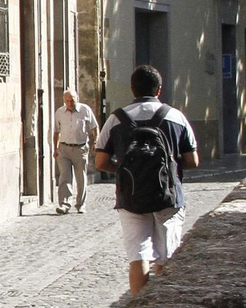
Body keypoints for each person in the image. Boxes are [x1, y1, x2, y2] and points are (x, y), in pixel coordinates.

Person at [94, 64, 200, 294]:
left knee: (138, 256)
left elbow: (100, 162)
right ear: (159, 90)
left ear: (132, 89)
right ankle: (164, 307)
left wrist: (124, 171)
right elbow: (193, 161)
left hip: (130, 197)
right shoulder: (176, 117)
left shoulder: (116, 119)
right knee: (167, 257)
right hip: (168, 197)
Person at [52, 88, 99, 214]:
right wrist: (55, 148)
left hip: (80, 148)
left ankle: (80, 204)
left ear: (77, 99)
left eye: (72, 100)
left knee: (80, 177)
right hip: (64, 148)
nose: (70, 103)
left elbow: (94, 127)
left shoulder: (85, 110)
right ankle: (64, 204)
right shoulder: (59, 112)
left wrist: (96, 141)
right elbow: (56, 131)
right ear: (64, 101)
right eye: (67, 101)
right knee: (65, 177)